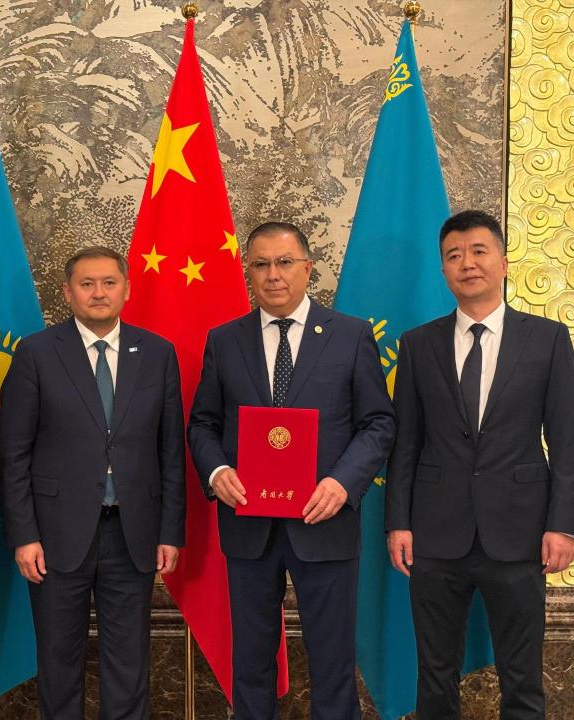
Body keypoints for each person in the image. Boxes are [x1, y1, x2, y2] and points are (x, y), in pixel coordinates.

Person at [188, 222, 395, 719]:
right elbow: (202, 423)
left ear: (308, 268)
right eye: (260, 265)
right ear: (249, 272)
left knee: (332, 658)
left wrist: (343, 483)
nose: (273, 275)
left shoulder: (351, 335)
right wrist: (217, 471)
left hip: (324, 520)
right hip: (248, 524)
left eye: (284, 262)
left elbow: (378, 422)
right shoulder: (225, 339)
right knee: (251, 660)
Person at [385, 209, 574, 719]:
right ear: (443, 271)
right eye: (454, 255)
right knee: (434, 675)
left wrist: (563, 525)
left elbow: (566, 439)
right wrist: (398, 521)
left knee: (522, 676)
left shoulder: (548, 338)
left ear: (504, 262)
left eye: (478, 251)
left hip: (519, 531)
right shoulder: (418, 344)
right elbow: (406, 443)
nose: (467, 263)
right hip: (434, 533)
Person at [0, 246, 185, 720]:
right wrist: (24, 535)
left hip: (132, 532)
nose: (98, 293)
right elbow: (13, 453)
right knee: (58, 660)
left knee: (129, 662)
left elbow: (170, 451)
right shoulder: (37, 353)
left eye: (108, 282)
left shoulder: (157, 353)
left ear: (126, 289)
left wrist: (170, 531)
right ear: (67, 292)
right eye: (86, 284)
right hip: (54, 534)